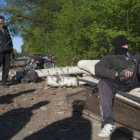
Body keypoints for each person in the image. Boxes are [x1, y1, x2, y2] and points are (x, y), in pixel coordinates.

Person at [95, 35, 140, 137]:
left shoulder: (135, 55)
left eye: (127, 44)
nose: (127, 46)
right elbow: (98, 68)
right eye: (124, 45)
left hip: (136, 80)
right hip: (121, 82)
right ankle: (108, 123)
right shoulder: (110, 57)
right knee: (103, 83)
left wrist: (132, 70)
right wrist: (118, 73)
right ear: (118, 46)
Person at [0, 15, 13, 87]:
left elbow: (9, 38)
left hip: (7, 50)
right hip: (0, 50)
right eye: (1, 19)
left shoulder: (5, 28)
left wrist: (12, 49)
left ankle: (4, 83)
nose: (2, 21)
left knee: (6, 67)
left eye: (3, 19)